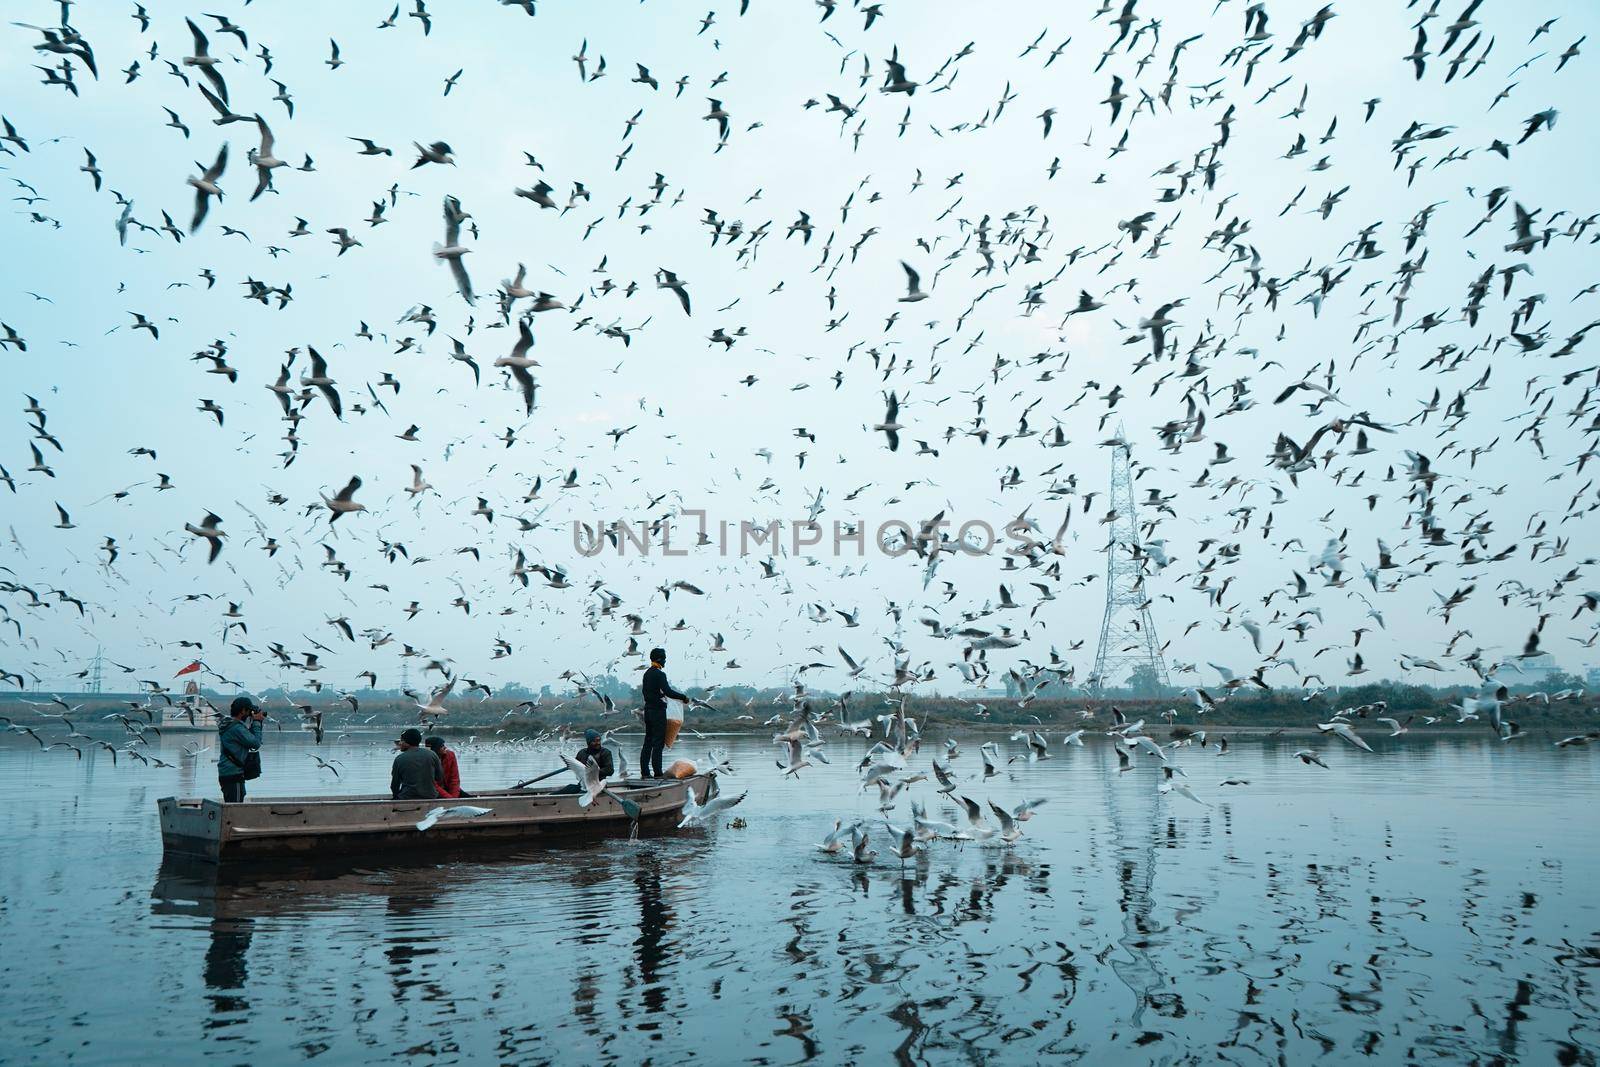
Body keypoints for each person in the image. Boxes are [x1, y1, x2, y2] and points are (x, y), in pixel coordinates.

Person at [641, 648, 688, 779]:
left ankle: (645, 772)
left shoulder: (647, 673)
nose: (666, 660)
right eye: (664, 658)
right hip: (657, 712)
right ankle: (658, 773)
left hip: (648, 711)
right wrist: (683, 697)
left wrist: (659, 695)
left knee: (648, 742)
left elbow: (648, 693)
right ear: (659, 659)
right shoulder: (659, 674)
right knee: (658, 743)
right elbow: (668, 691)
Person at [217, 696, 264, 803]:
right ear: (243, 711)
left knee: (234, 805)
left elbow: (249, 739)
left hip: (229, 773)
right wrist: (256, 722)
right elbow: (255, 743)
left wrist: (256, 722)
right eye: (249, 710)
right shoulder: (236, 728)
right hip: (233, 775)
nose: (250, 714)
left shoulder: (231, 725)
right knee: (235, 809)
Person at [391, 728, 443, 800]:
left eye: (402, 740)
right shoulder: (432, 754)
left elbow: (394, 785)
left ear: (407, 742)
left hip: (407, 797)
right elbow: (439, 778)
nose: (400, 743)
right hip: (431, 797)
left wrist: (395, 798)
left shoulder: (399, 759)